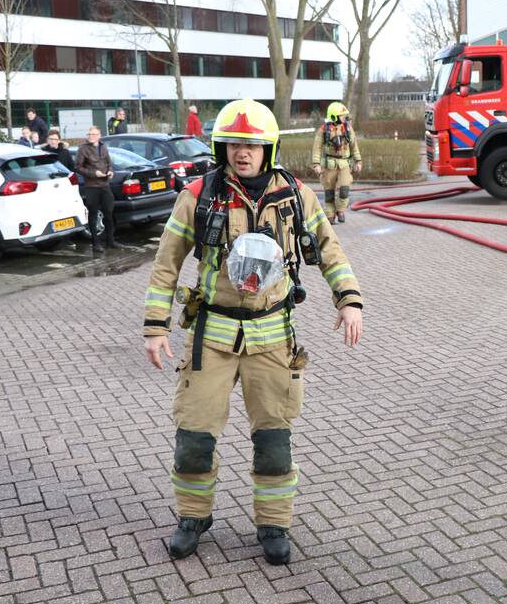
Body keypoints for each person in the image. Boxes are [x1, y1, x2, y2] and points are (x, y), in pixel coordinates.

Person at [143, 98, 363, 565]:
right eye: (233, 144)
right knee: (194, 439)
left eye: (253, 144)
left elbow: (330, 248)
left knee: (273, 442)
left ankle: (274, 525)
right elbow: (166, 264)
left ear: (269, 148)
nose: (242, 152)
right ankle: (192, 518)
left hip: (272, 338)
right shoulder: (198, 195)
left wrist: (348, 300)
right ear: (222, 147)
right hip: (212, 337)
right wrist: (155, 327)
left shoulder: (296, 195)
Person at [311, 102, 362, 224]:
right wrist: (316, 164)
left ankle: (341, 210)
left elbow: (354, 146)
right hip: (329, 166)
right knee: (329, 192)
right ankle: (330, 214)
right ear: (334, 116)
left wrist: (358, 161)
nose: (344, 118)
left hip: (344, 164)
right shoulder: (323, 130)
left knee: (344, 190)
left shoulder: (348, 129)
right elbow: (317, 148)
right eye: (341, 115)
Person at [74, 126, 119, 252]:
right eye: (89, 134)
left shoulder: (103, 147)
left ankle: (111, 240)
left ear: (99, 135)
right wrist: (94, 173)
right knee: (93, 214)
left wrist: (110, 172)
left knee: (109, 213)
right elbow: (78, 167)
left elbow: (109, 163)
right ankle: (95, 243)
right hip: (92, 186)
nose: (91, 136)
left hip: (105, 185)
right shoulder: (83, 149)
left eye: (93, 134)